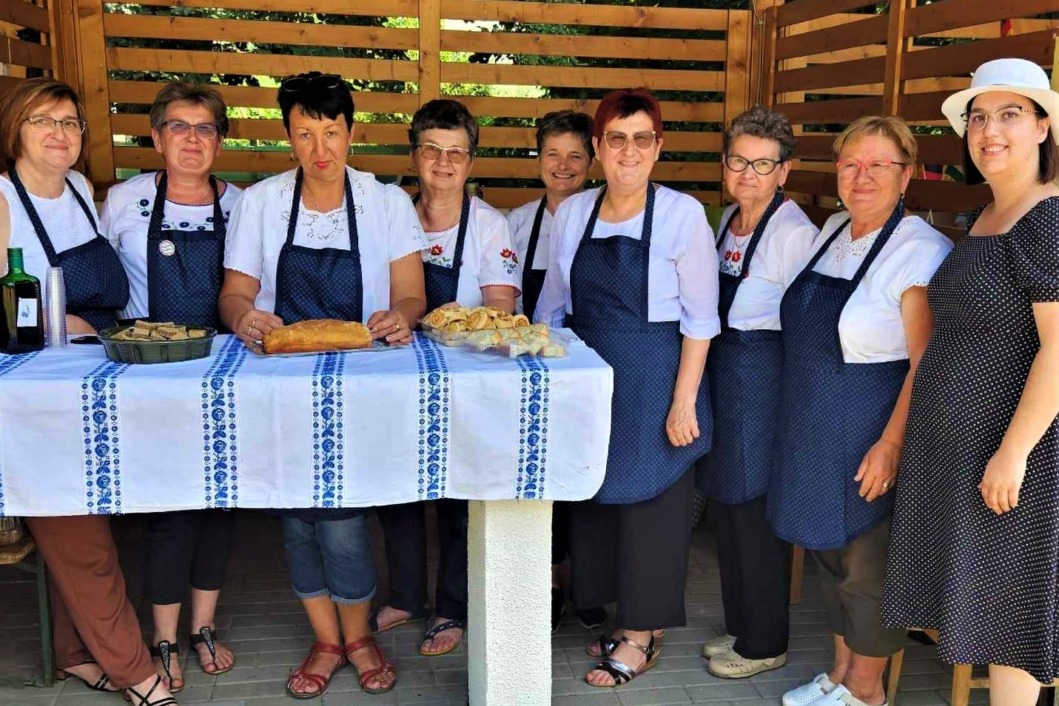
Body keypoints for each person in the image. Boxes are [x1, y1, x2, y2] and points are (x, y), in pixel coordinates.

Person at [220, 71, 427, 699]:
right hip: (282, 385)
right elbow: (234, 294)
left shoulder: (385, 202)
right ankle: (327, 638)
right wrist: (245, 317)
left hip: (360, 387)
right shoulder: (261, 202)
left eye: (331, 132)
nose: (321, 149)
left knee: (341, 517)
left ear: (351, 131)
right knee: (295, 517)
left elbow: (411, 293)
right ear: (287, 137)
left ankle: (358, 634)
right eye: (305, 134)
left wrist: (402, 316)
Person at [883, 58, 1059, 706]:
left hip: (1014, 459)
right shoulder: (989, 215)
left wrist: (1011, 453)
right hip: (963, 454)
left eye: (1009, 114)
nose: (989, 131)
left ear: (1042, 126)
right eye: (977, 117)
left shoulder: (1046, 219)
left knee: (1006, 620)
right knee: (982, 613)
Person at [535, 88, 718, 687]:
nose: (629, 151)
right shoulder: (573, 214)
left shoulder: (682, 214)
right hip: (591, 375)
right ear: (598, 147)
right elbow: (556, 308)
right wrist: (549, 380)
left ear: (658, 147)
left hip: (657, 371)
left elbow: (700, 318)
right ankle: (621, 618)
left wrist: (684, 398)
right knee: (600, 503)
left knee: (654, 508)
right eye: (617, 139)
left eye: (642, 139)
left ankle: (643, 634)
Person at [0, 78, 174, 706]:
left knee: (96, 514)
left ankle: (77, 653)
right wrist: (59, 320)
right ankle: (135, 671)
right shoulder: (0, 200)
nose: (59, 134)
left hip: (97, 373)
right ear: (15, 129)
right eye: (43, 120)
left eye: (71, 122)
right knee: (80, 530)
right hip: (33, 391)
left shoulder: (77, 190)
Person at [769, 116, 953, 706]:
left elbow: (925, 363)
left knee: (867, 568)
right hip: (811, 420)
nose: (862, 176)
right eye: (851, 163)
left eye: (879, 165)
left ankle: (866, 692)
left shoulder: (921, 249)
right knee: (827, 554)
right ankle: (839, 674)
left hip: (869, 421)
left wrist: (892, 443)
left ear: (907, 176)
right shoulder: (832, 229)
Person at [100, 80, 241, 694]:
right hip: (149, 374)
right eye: (179, 127)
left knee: (218, 507)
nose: (192, 139)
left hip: (223, 374)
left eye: (205, 127)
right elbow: (97, 283)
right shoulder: (123, 202)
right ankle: (162, 635)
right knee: (168, 509)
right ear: (156, 137)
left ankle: (203, 627)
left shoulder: (241, 203)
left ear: (219, 140)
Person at [372, 98, 520, 658]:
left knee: (459, 494)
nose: (444, 162)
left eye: (456, 152)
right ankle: (406, 594)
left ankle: (451, 606)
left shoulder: (489, 224)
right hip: (397, 374)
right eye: (432, 149)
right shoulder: (392, 215)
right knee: (397, 488)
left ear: (471, 162)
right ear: (414, 156)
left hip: (465, 379)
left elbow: (501, 308)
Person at [696, 106, 818, 679]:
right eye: (739, 161)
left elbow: (809, 325)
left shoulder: (795, 234)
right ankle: (743, 625)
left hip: (763, 378)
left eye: (762, 164)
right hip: (725, 371)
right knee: (728, 509)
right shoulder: (726, 222)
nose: (748, 174)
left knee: (756, 513)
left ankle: (766, 639)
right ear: (725, 164)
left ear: (784, 171)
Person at [506, 109, 606, 633]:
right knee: (539, 476)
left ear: (592, 161)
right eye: (552, 154)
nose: (562, 166)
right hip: (531, 369)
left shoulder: (604, 217)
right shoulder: (517, 223)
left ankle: (583, 585)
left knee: (583, 478)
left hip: (588, 365)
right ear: (538, 158)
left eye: (574, 156)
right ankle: (543, 583)